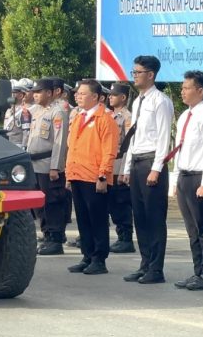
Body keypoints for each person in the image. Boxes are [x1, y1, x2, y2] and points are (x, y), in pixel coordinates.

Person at [121, 55, 174, 284]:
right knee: (140, 216)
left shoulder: (160, 101)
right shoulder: (138, 101)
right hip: (137, 161)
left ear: (150, 75)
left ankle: (156, 268)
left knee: (154, 217)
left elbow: (163, 137)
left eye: (138, 72)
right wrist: (126, 166)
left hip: (152, 161)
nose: (134, 76)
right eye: (133, 72)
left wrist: (157, 168)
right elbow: (134, 137)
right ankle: (145, 264)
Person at [172, 71, 203, 291]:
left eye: (187, 88)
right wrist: (175, 179)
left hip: (199, 177)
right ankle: (197, 271)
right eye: (182, 88)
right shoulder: (185, 115)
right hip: (184, 175)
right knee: (191, 229)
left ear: (200, 90)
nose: (183, 91)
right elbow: (179, 149)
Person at [65, 79, 118, 275]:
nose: (78, 96)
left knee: (98, 219)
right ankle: (87, 255)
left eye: (82, 93)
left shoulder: (104, 119)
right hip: (78, 174)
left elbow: (109, 150)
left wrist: (103, 175)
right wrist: (69, 173)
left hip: (95, 177)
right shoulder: (79, 117)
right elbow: (71, 147)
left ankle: (99, 258)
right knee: (83, 219)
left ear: (95, 97)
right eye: (77, 93)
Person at [27, 78, 70, 255]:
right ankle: (47, 234)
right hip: (35, 163)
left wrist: (55, 167)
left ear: (50, 93)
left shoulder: (58, 112)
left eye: (39, 92)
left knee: (52, 202)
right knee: (39, 204)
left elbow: (60, 141)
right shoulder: (37, 111)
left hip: (48, 164)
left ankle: (56, 238)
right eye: (34, 92)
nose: (35, 95)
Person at [107, 83, 135, 254]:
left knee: (121, 202)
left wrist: (125, 169)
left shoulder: (127, 117)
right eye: (110, 95)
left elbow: (128, 144)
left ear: (123, 97)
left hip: (120, 163)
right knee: (112, 204)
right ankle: (120, 236)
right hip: (110, 164)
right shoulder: (110, 115)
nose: (110, 97)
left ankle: (126, 239)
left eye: (114, 95)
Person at [4, 83, 28, 148]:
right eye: (12, 93)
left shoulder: (24, 111)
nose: (12, 95)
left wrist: (24, 146)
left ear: (21, 95)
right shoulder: (9, 110)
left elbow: (26, 131)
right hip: (7, 142)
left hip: (18, 144)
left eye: (14, 93)